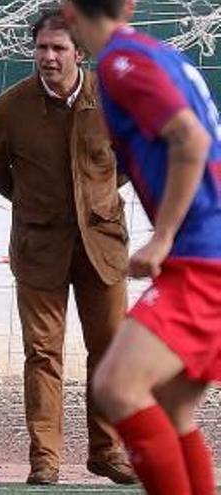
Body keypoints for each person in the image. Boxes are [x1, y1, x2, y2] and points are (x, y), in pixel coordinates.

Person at [61, 0, 221, 493]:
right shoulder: (162, 53)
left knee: (115, 387)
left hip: (202, 252)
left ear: (68, 10)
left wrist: (164, 236)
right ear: (130, 5)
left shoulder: (119, 62)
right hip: (209, 248)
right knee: (171, 406)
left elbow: (190, 141)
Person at [0, 9, 135, 485]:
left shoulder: (114, 102)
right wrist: (33, 204)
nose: (47, 57)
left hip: (102, 246)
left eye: (58, 49)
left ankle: (106, 452)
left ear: (79, 53)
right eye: (42, 48)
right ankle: (45, 459)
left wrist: (97, 200)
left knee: (108, 350)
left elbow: (132, 162)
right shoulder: (9, 107)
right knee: (42, 353)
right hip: (39, 247)